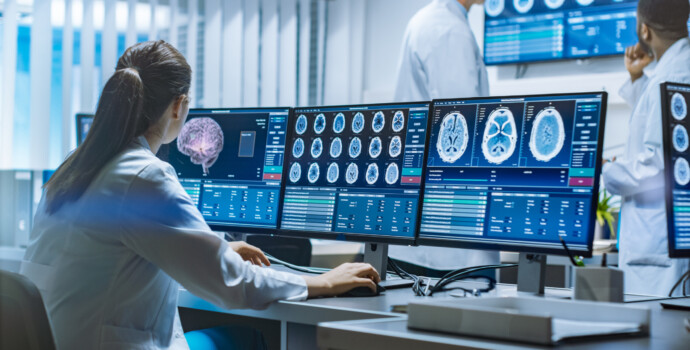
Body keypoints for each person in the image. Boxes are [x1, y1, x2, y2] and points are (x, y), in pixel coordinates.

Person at [19, 41, 380, 350]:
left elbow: (120, 255)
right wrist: (322, 281)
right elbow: (231, 284)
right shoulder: (145, 175)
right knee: (247, 339)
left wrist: (215, 250)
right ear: (179, 106)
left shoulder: (75, 166)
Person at [389, 0, 498, 275]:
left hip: (426, 226)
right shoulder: (449, 30)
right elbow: (462, 125)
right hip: (449, 239)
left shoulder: (429, 20)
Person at [602, 0, 690, 296]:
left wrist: (608, 170)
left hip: (659, 246)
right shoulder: (677, 68)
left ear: (644, 30)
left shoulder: (673, 75)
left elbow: (659, 165)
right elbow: (662, 126)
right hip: (662, 239)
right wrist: (638, 78)